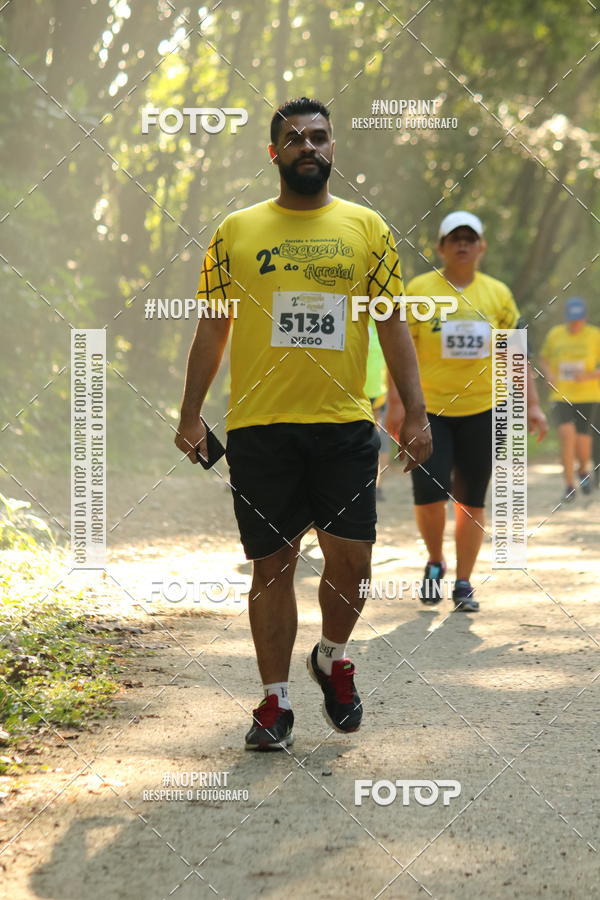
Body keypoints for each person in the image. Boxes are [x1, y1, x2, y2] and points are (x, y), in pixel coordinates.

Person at [175, 97, 431, 750]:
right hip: (259, 427)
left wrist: (416, 411)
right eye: (294, 139)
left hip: (343, 424)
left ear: (333, 148)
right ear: (274, 154)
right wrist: (190, 413)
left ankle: (331, 656)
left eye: (319, 136)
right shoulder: (235, 231)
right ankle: (275, 702)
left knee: (354, 561)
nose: (308, 146)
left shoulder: (368, 228)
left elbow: (392, 323)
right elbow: (213, 327)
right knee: (272, 566)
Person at [386, 211, 547, 612]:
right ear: (440, 247)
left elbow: (515, 353)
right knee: (429, 494)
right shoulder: (420, 290)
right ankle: (435, 561)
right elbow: (400, 350)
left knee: (471, 498)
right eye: (454, 238)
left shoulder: (497, 294)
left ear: (481, 247)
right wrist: (397, 405)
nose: (462, 244)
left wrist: (532, 405)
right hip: (429, 412)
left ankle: (463, 582)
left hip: (483, 409)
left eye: (469, 238)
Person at [540, 297, 600, 501]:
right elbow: (544, 357)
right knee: (567, 436)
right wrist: (549, 373)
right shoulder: (555, 334)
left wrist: (590, 375)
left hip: (588, 396)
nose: (575, 324)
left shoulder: (594, 335)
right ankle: (568, 486)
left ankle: (583, 470)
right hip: (560, 394)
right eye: (572, 320)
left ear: (585, 317)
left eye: (578, 320)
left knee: (583, 443)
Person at [365, 317, 391, 498]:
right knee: (376, 439)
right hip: (368, 390)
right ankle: (374, 485)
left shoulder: (381, 319)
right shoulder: (381, 319)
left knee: (376, 439)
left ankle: (376, 485)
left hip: (375, 391)